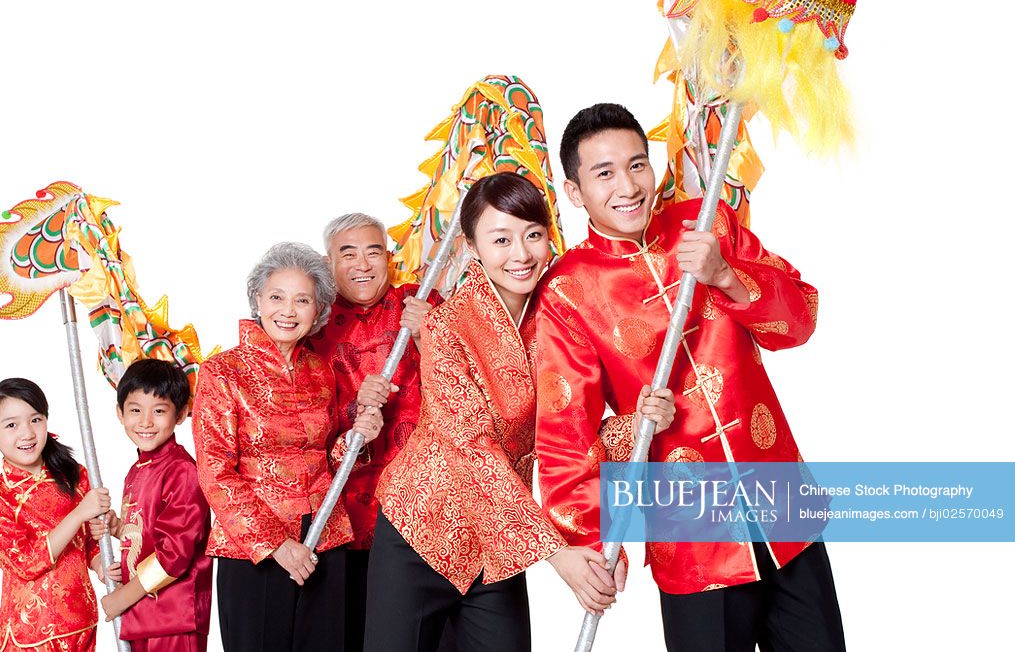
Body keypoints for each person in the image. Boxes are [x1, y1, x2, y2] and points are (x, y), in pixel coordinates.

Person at [534, 103, 845, 652]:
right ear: (575, 192)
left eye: (637, 165)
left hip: (784, 513)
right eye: (604, 173)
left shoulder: (707, 222)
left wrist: (725, 274)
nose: (627, 186)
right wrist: (583, 541)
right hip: (692, 537)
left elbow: (799, 321)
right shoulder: (568, 289)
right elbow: (565, 432)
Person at [364, 173, 676, 652]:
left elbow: (571, 431)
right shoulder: (447, 325)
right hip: (419, 530)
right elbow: (472, 449)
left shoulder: (558, 313)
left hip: (497, 543)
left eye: (533, 235)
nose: (521, 254)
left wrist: (641, 424)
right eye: (501, 239)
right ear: (471, 247)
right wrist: (556, 553)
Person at [192, 242, 384, 652]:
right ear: (258, 299)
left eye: (302, 300)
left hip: (324, 541)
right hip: (254, 553)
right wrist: (276, 546)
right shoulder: (223, 372)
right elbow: (216, 473)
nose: (288, 310)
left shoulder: (320, 370)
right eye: (277, 297)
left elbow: (326, 454)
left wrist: (355, 440)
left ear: (318, 311)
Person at [305, 213, 442, 652]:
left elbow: (471, 388)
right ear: (329, 264)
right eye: (348, 253)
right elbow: (304, 431)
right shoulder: (311, 328)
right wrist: (354, 410)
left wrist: (427, 338)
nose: (363, 263)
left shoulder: (420, 303)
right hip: (347, 515)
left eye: (373, 251)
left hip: (429, 504)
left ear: (389, 257)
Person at [0, 378, 112, 652]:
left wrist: (102, 564)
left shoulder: (74, 476)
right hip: (31, 636)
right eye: (11, 425)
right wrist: (79, 513)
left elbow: (88, 542)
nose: (27, 433)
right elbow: (28, 562)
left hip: (82, 623)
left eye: (36, 420)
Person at [91, 358, 213, 652]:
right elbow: (150, 533)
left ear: (182, 414)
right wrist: (118, 528)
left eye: (159, 411)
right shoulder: (138, 470)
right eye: (135, 410)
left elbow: (174, 555)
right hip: (141, 617)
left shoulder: (182, 471)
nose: (145, 422)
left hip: (173, 617)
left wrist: (121, 598)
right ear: (120, 413)